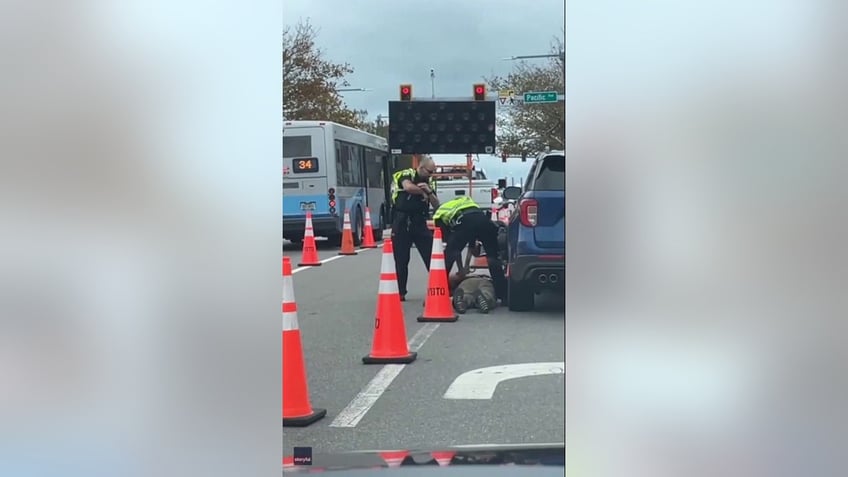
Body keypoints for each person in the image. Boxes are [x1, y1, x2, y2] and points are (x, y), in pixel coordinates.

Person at [433, 195, 508, 303]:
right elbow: (471, 244)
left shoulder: (439, 216)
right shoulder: (466, 203)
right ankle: (503, 295)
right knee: (493, 259)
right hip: (483, 220)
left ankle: (439, 293)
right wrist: (466, 266)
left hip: (465, 222)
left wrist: (461, 270)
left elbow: (454, 250)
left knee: (446, 259)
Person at [390, 156, 440, 301]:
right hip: (402, 220)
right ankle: (400, 292)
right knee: (401, 258)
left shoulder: (430, 182)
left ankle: (438, 288)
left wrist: (429, 192)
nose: (431, 175)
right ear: (421, 168)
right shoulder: (406, 174)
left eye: (433, 172)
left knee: (432, 256)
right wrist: (422, 191)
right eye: (429, 172)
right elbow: (407, 187)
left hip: (419, 221)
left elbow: (436, 204)